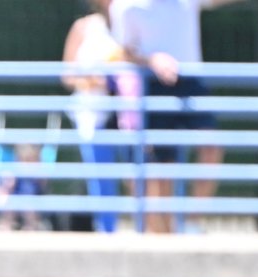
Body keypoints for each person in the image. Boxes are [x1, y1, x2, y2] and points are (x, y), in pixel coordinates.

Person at [110, 0, 243, 233]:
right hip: (153, 81)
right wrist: (153, 60)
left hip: (191, 81)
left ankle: (191, 221)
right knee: (162, 170)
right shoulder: (126, 7)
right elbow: (124, 52)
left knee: (211, 146)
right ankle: (166, 237)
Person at [62, 0, 124, 233]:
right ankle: (107, 229)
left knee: (137, 173)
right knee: (100, 175)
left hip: (125, 111)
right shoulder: (83, 27)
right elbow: (68, 75)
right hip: (92, 113)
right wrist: (92, 80)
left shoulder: (129, 22)